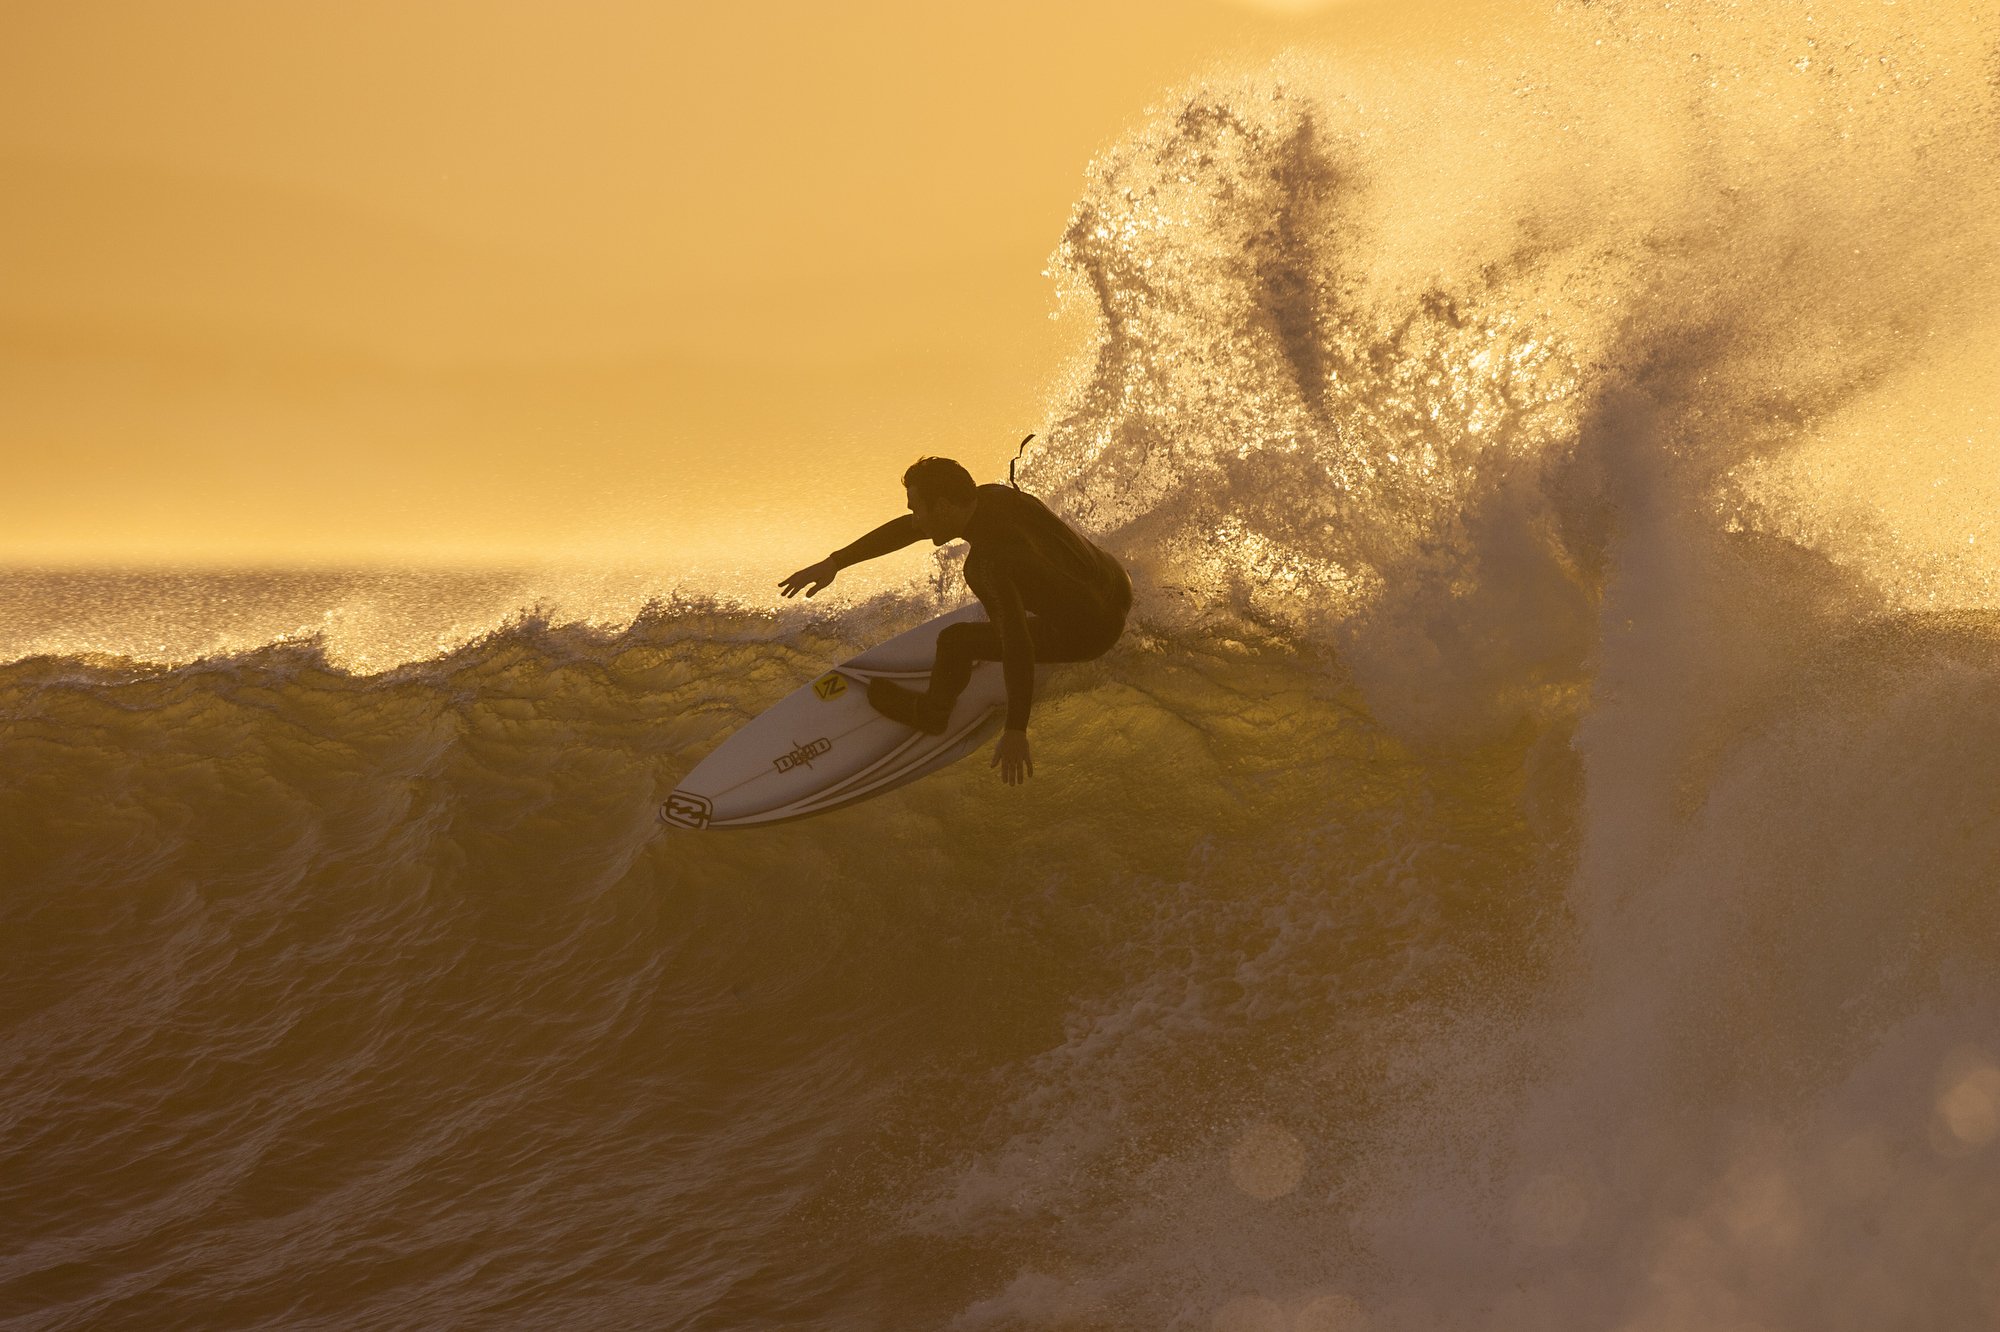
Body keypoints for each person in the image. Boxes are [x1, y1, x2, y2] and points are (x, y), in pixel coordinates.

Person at [779, 456, 1132, 785]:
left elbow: (1017, 642)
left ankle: (932, 713)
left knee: (955, 640)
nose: (915, 520)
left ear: (945, 506)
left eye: (918, 510)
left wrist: (1016, 729)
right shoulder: (997, 496)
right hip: (1116, 585)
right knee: (1027, 574)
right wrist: (836, 562)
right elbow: (909, 530)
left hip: (1094, 634)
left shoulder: (985, 565)